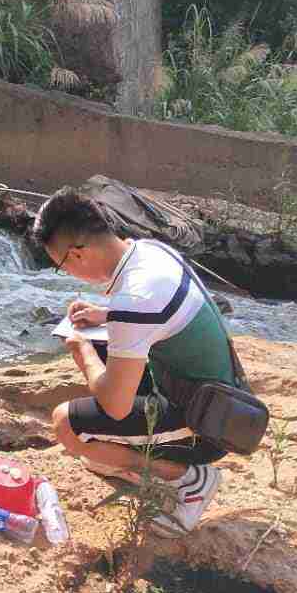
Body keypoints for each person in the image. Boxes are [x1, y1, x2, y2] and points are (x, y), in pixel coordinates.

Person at [32, 188, 238, 536]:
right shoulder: (150, 252)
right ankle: (133, 456)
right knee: (103, 350)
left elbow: (114, 405)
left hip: (208, 425)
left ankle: (188, 478)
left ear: (78, 254)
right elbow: (151, 313)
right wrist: (105, 314)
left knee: (67, 425)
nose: (66, 273)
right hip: (213, 390)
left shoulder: (135, 301)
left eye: (61, 266)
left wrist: (80, 352)